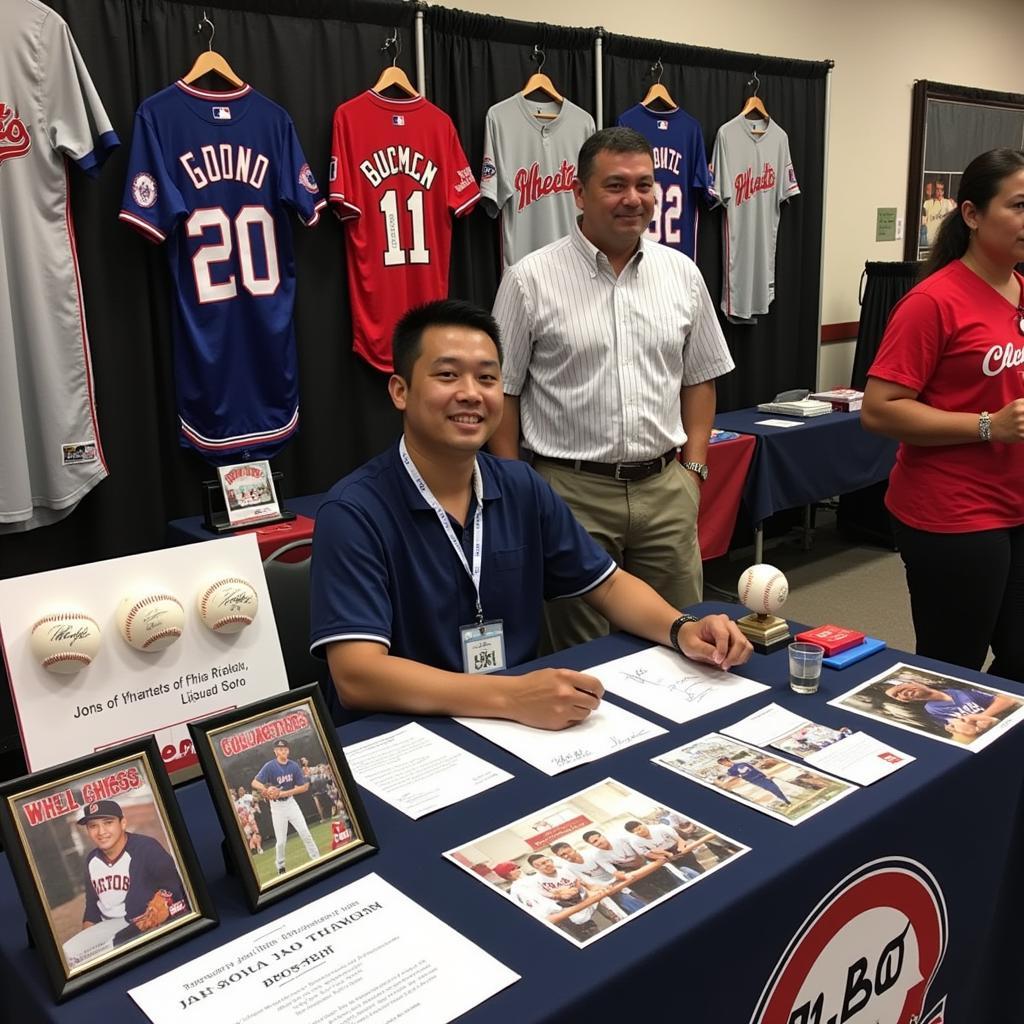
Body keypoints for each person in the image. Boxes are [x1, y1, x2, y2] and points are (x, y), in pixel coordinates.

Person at [310, 299, 751, 730]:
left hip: (513, 725)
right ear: (400, 391)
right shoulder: (354, 512)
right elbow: (357, 676)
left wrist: (682, 628)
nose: (470, 393)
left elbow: (609, 584)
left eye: (487, 378)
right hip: (403, 736)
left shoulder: (520, 486)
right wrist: (511, 696)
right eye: (447, 375)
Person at [489, 127, 736, 652]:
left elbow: (700, 379)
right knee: (582, 657)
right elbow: (502, 392)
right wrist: (516, 487)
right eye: (616, 185)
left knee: (685, 640)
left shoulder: (683, 275)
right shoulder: (529, 280)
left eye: (645, 185)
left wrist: (693, 471)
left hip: (666, 487)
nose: (634, 200)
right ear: (579, 193)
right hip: (569, 493)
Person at [862, 149, 1024, 682]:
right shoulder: (933, 302)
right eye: (1019, 206)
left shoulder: (1021, 288)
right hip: (954, 514)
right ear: (973, 215)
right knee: (952, 670)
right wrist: (987, 425)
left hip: (1016, 506)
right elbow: (879, 411)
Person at [61, 800, 189, 967]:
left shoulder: (147, 848)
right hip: (108, 927)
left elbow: (176, 889)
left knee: (110, 949)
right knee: (68, 953)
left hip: (139, 926)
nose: (101, 832)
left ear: (123, 823)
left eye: (108, 823)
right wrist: (87, 940)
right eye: (93, 826)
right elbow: (92, 907)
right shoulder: (91, 860)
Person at [251, 739, 320, 874]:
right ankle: (280, 866)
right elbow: (254, 782)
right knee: (281, 840)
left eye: (284, 749)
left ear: (288, 750)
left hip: (290, 802)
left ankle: (317, 859)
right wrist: (266, 788)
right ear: (275, 751)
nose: (282, 751)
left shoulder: (293, 766)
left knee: (305, 833)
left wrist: (285, 793)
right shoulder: (270, 766)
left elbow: (304, 787)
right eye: (279, 749)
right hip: (277, 808)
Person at [883, 677, 1020, 732]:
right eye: (897, 695)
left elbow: (1008, 700)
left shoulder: (957, 688)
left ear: (914, 682)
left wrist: (982, 716)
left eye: (901, 688)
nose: (903, 694)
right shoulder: (931, 710)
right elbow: (966, 730)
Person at [550, 840, 647, 915]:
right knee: (623, 909)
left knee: (639, 901)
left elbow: (612, 870)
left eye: (567, 852)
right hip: (602, 890)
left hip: (619, 880)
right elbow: (586, 883)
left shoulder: (592, 854)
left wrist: (615, 880)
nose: (567, 856)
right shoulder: (568, 868)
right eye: (562, 855)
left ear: (572, 848)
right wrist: (599, 887)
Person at [716, 755, 794, 806]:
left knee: (775, 787)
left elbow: (756, 768)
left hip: (762, 776)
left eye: (724, 762)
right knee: (772, 789)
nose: (724, 764)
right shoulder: (730, 771)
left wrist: (767, 775)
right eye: (722, 763)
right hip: (755, 781)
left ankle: (786, 799)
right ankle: (786, 800)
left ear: (728, 759)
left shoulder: (742, 763)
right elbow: (735, 778)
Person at [921, 180, 956, 246]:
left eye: (942, 189)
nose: (939, 192)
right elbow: (924, 220)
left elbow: (952, 219)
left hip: (942, 240)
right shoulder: (927, 203)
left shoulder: (948, 203)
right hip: (929, 240)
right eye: (937, 189)